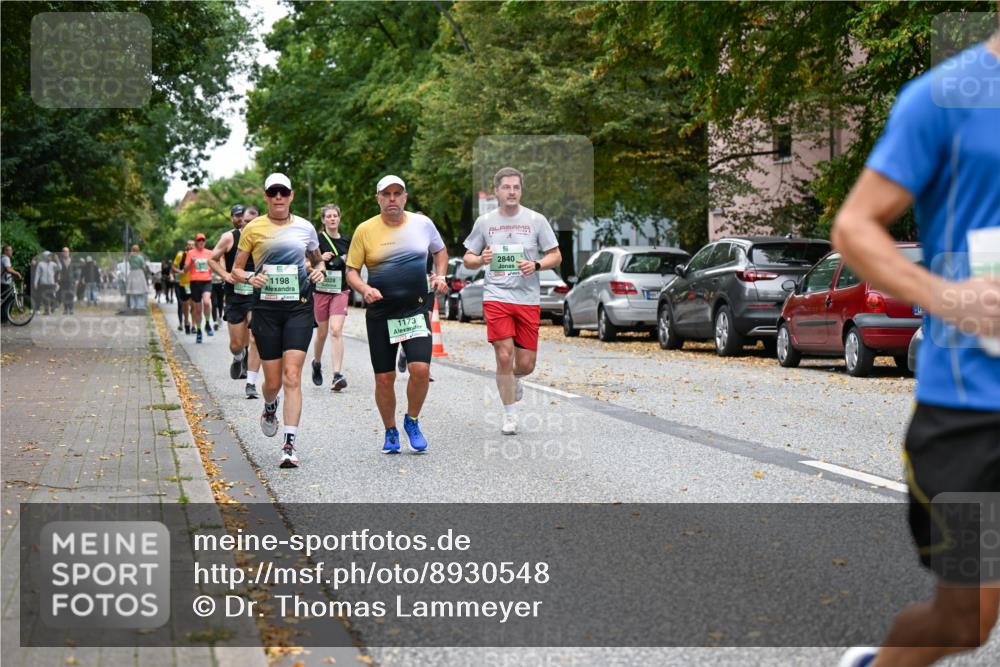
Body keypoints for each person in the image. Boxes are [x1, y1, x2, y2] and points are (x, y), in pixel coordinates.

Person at [832, 28, 1000, 667]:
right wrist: (949, 298)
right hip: (973, 413)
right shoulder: (943, 98)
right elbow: (854, 227)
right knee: (965, 621)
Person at [345, 175, 448, 454]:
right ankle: (390, 430)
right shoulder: (365, 230)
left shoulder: (422, 224)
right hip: (381, 312)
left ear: (405, 197)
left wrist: (440, 275)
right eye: (386, 194)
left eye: (397, 193)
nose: (392, 199)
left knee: (420, 370)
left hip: (415, 309)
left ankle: (411, 420)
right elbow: (351, 270)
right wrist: (364, 288)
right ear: (378, 198)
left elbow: (440, 251)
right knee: (384, 378)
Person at [231, 174, 325, 468]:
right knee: (272, 383)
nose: (279, 197)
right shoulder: (253, 228)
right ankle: (270, 405)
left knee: (292, 376)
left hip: (299, 308)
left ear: (291, 195)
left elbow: (318, 260)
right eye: (273, 192)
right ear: (266, 197)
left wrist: (320, 270)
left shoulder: (305, 228)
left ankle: (289, 445)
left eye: (283, 192)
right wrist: (250, 277)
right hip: (266, 311)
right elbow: (236, 270)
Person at [463, 167, 561, 435]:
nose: (512, 192)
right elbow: (468, 259)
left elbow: (556, 255)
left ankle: (514, 378)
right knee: (504, 356)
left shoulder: (536, 220)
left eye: (516, 187)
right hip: (496, 296)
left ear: (521, 190)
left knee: (526, 365)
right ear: (496, 191)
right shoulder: (485, 222)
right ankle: (510, 415)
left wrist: (536, 264)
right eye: (506, 187)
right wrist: (480, 259)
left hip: (527, 299)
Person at [208, 204, 263, 399]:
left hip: (256, 294)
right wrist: (225, 275)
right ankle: (239, 356)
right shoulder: (229, 237)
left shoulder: (264, 238)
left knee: (256, 337)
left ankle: (251, 383)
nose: (247, 224)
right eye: (245, 220)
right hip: (235, 296)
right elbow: (212, 259)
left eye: (252, 221)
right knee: (236, 344)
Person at [310, 204, 352, 392]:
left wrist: (346, 259)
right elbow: (307, 263)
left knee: (336, 330)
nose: (332, 218)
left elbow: (354, 264)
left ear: (339, 218)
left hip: (340, 290)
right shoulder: (316, 241)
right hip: (321, 290)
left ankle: (337, 374)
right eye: (329, 216)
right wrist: (320, 259)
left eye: (335, 215)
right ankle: (317, 362)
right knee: (322, 332)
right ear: (323, 220)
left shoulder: (347, 241)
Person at [184, 233, 215, 343]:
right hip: (195, 282)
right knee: (197, 309)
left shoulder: (209, 253)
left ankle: (207, 323)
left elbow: (213, 266)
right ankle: (198, 331)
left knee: (206, 302)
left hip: (207, 281)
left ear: (205, 242)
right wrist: (191, 263)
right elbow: (185, 270)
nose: (201, 242)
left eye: (203, 240)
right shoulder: (190, 253)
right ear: (196, 242)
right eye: (199, 240)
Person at [173, 240, 194, 333]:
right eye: (189, 245)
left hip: (195, 283)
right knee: (185, 304)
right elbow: (173, 267)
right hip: (184, 283)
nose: (191, 246)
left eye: (192, 245)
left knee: (194, 304)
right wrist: (180, 271)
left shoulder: (197, 255)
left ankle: (193, 325)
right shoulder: (181, 255)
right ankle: (186, 321)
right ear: (186, 246)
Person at [1, 244, 23, 323]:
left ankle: (5, 319)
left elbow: (8, 270)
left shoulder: (2, 258)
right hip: (4, 283)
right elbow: (8, 269)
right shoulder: (5, 258)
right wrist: (17, 273)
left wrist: (13, 275)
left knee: (6, 301)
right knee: (8, 301)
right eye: (10, 250)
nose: (11, 251)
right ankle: (4, 319)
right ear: (5, 251)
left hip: (3, 282)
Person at [125, 245, 149, 311]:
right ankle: (140, 305)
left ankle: (133, 305)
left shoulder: (130, 257)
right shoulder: (140, 257)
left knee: (132, 289)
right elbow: (143, 265)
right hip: (139, 273)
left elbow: (130, 264)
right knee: (140, 290)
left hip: (132, 273)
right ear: (138, 250)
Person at [56, 247, 76, 315]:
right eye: (64, 251)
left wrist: (76, 279)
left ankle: (71, 309)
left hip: (71, 281)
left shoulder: (72, 261)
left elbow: (75, 271)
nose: (65, 253)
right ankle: (65, 309)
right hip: (63, 281)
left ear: (69, 252)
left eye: (67, 251)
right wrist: (57, 279)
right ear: (62, 253)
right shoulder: (60, 261)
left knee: (71, 295)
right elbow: (58, 271)